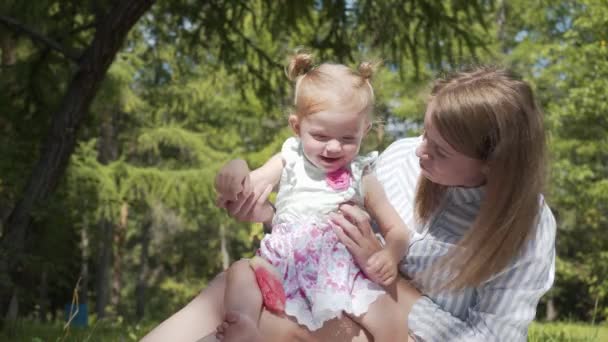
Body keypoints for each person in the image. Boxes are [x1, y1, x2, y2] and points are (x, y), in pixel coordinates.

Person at [142, 65, 556, 342]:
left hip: (396, 329)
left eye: (440, 150)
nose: (418, 151)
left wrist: (390, 284)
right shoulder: (399, 160)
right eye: (425, 132)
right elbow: (321, 239)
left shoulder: (527, 229)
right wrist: (268, 216)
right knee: (234, 288)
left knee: (258, 324)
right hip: (340, 299)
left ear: (491, 166)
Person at [213, 53, 410, 341]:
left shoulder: (362, 175)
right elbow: (251, 179)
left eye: (347, 139)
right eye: (320, 136)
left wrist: (390, 255)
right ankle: (244, 326)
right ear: (297, 127)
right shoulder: (289, 157)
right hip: (280, 264)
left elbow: (398, 230)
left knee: (391, 317)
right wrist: (234, 169)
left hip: (340, 271)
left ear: (364, 131)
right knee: (240, 272)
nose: (333, 147)